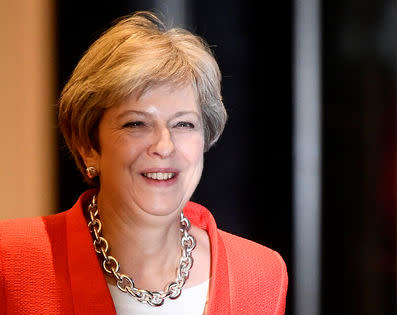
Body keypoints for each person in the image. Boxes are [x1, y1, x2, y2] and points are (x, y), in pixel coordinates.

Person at [0, 11, 288, 314]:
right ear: (88, 147)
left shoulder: (261, 275)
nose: (164, 146)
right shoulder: (11, 261)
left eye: (184, 124)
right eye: (136, 124)